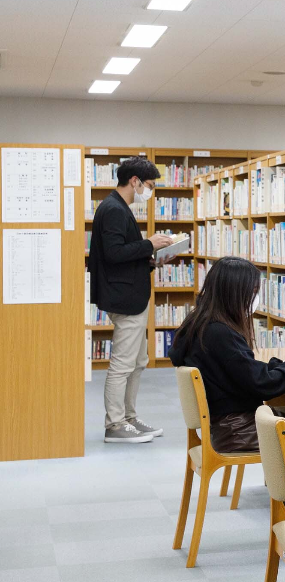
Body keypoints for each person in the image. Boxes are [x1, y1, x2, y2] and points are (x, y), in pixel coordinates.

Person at [169, 257, 285, 453]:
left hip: (228, 425)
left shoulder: (199, 324)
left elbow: (245, 370)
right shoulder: (220, 334)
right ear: (235, 293)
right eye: (253, 291)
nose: (255, 297)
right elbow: (261, 384)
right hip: (239, 430)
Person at [90, 156, 174, 443]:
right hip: (125, 299)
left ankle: (128, 417)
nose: (150, 192)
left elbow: (124, 254)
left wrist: (151, 259)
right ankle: (114, 424)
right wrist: (150, 243)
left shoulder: (118, 207)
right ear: (135, 181)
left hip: (131, 295)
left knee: (138, 360)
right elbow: (114, 253)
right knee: (123, 364)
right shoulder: (113, 209)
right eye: (149, 185)